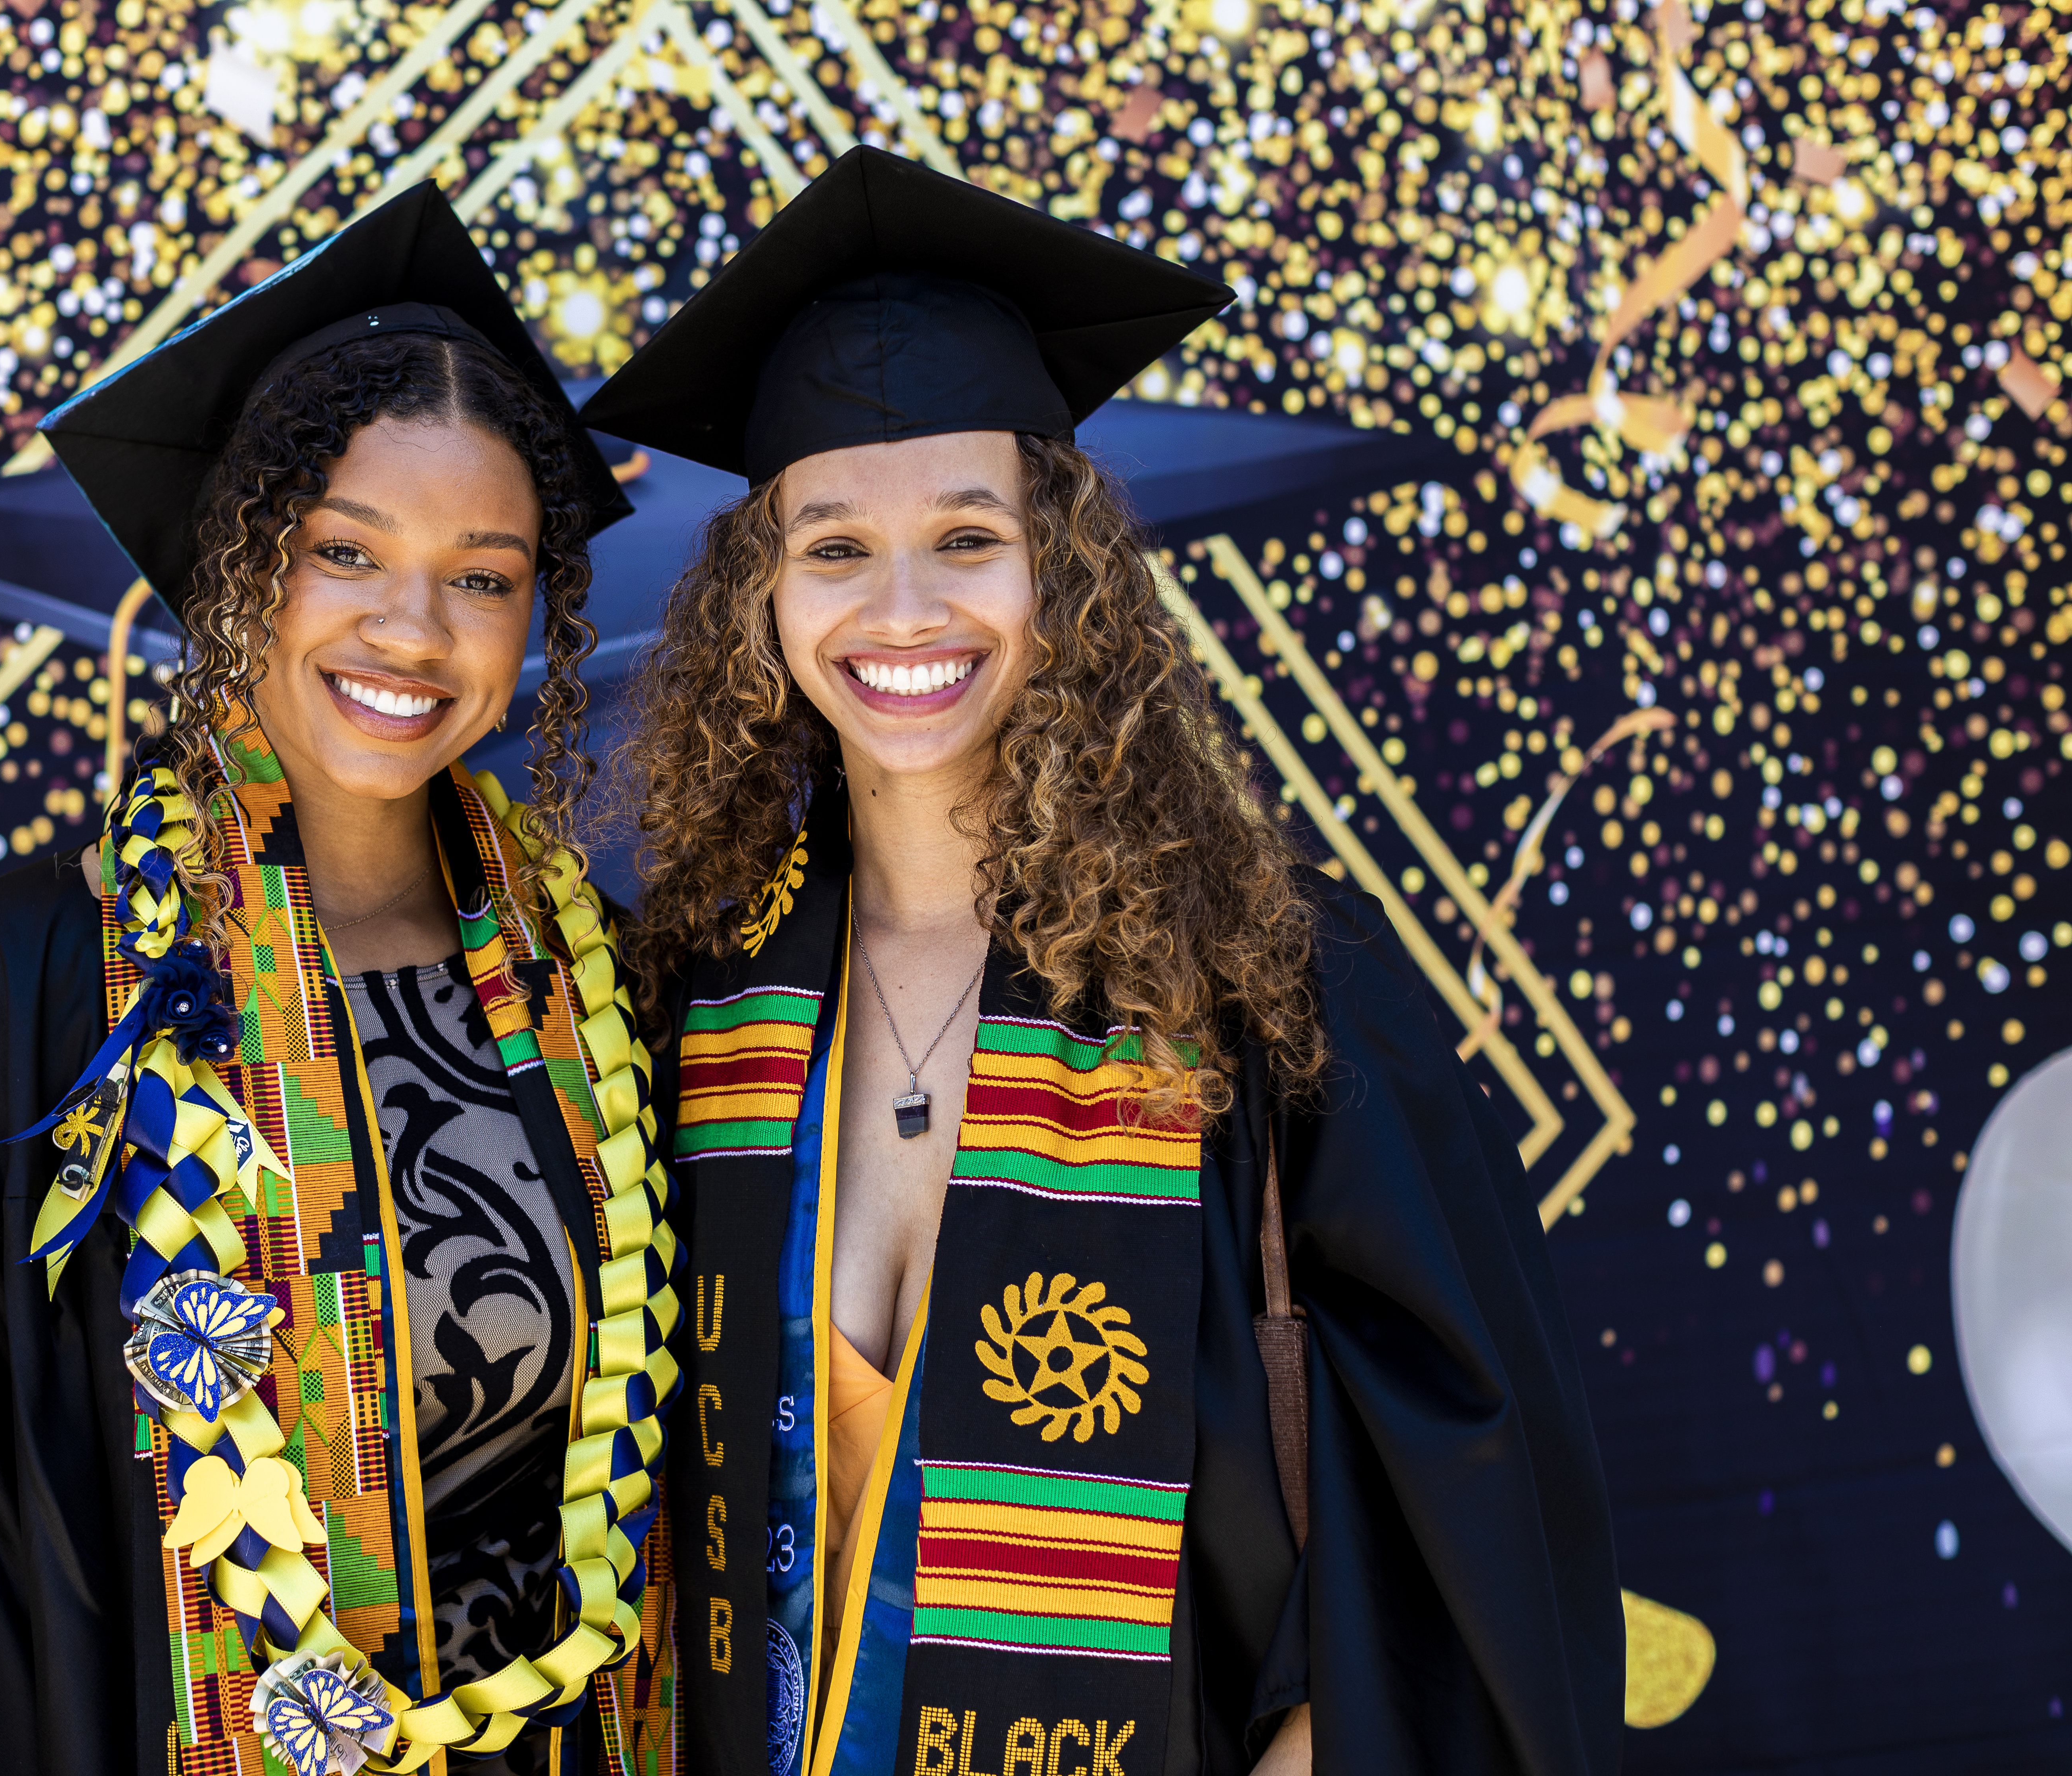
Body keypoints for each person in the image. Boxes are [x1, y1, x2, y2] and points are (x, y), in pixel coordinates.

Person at [584, 148, 1620, 1776]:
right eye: (835, 547)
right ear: (760, 596)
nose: (903, 608)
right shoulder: (688, 1004)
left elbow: (1451, 1540)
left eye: (968, 536)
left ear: (1062, 572)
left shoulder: (1269, 990)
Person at [0, 185, 680, 1776]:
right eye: (343, 551)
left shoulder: (608, 985)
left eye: (484, 577)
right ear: (237, 566)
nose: (413, 628)